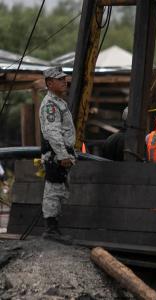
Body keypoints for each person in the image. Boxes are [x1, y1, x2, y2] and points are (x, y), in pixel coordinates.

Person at [39, 66, 75, 243]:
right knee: (54, 189)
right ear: (49, 83)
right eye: (59, 79)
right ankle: (51, 230)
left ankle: (54, 228)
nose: (64, 81)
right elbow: (53, 132)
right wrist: (62, 155)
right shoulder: (51, 104)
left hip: (60, 152)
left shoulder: (58, 102)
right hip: (55, 153)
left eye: (64, 78)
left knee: (59, 189)